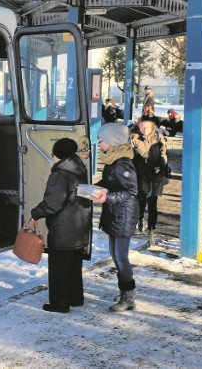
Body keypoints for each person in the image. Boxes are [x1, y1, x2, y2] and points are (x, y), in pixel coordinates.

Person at [30, 138, 91, 314]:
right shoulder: (79, 168)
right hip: (79, 225)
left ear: (58, 155)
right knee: (73, 265)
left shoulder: (59, 175)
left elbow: (53, 203)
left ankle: (59, 303)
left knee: (59, 268)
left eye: (53, 154)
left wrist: (35, 213)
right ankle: (75, 298)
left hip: (64, 228)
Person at [94, 123, 139, 312]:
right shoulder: (113, 160)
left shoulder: (122, 163)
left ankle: (128, 297)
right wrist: (96, 186)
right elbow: (110, 181)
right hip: (116, 214)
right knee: (115, 255)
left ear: (112, 142)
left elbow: (131, 190)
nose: (99, 144)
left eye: (101, 140)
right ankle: (126, 291)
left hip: (123, 215)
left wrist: (108, 196)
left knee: (121, 257)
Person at [130, 115, 168, 245]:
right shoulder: (134, 138)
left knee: (153, 204)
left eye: (146, 127)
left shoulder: (158, 138)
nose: (144, 129)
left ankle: (151, 230)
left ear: (153, 127)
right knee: (140, 201)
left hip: (155, 175)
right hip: (140, 174)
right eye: (141, 127)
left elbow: (163, 153)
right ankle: (140, 220)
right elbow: (129, 154)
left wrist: (161, 165)